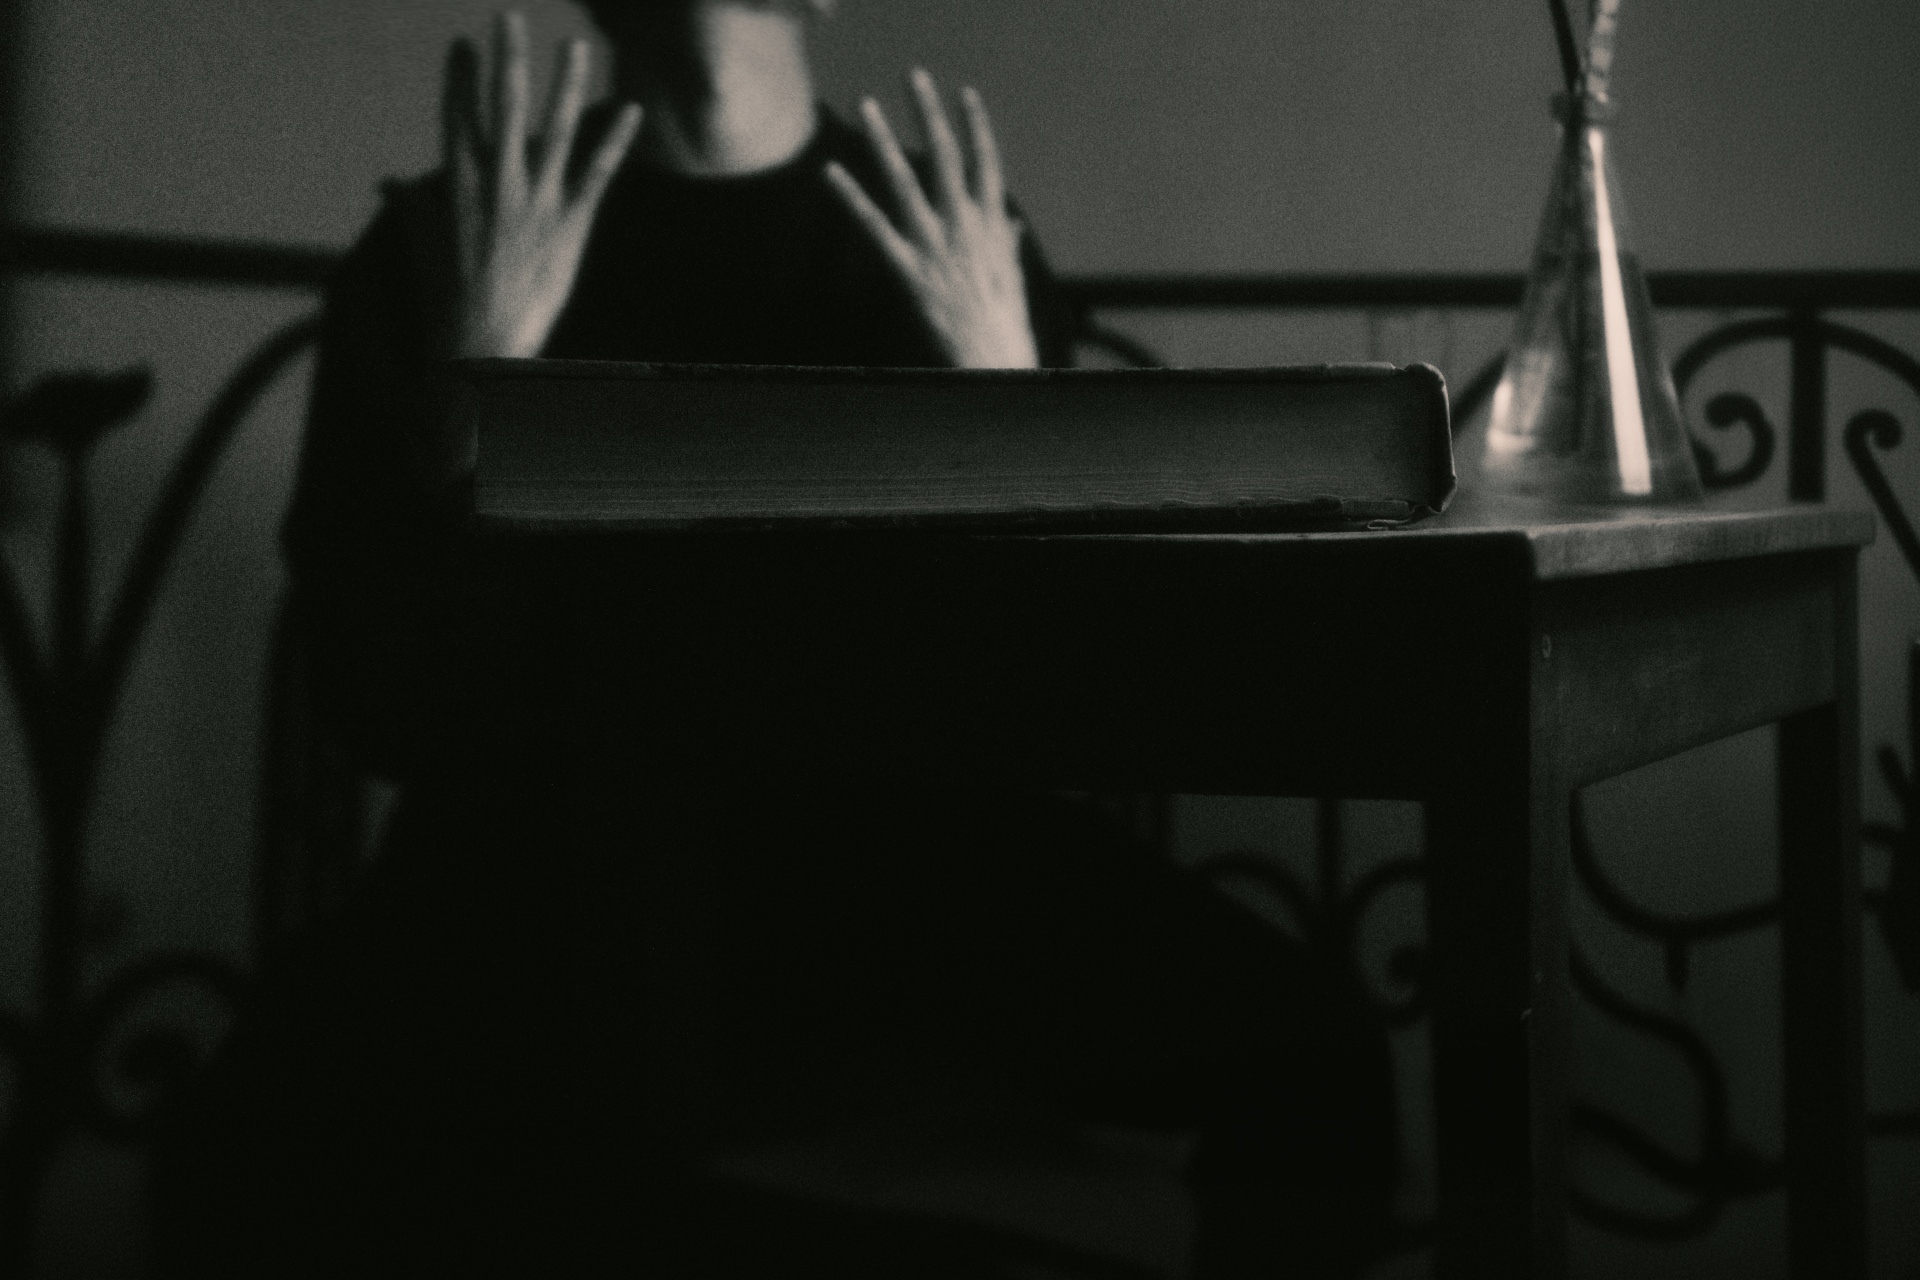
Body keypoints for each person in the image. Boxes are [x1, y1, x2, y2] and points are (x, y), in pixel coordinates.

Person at [152, 4, 1398, 1276]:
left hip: (898, 871)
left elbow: (1048, 704)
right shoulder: (451, 241)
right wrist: (475, 409)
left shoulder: (949, 236)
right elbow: (384, 702)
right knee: (245, 1149)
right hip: (545, 871)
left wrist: (1021, 417)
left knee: (1314, 1051)